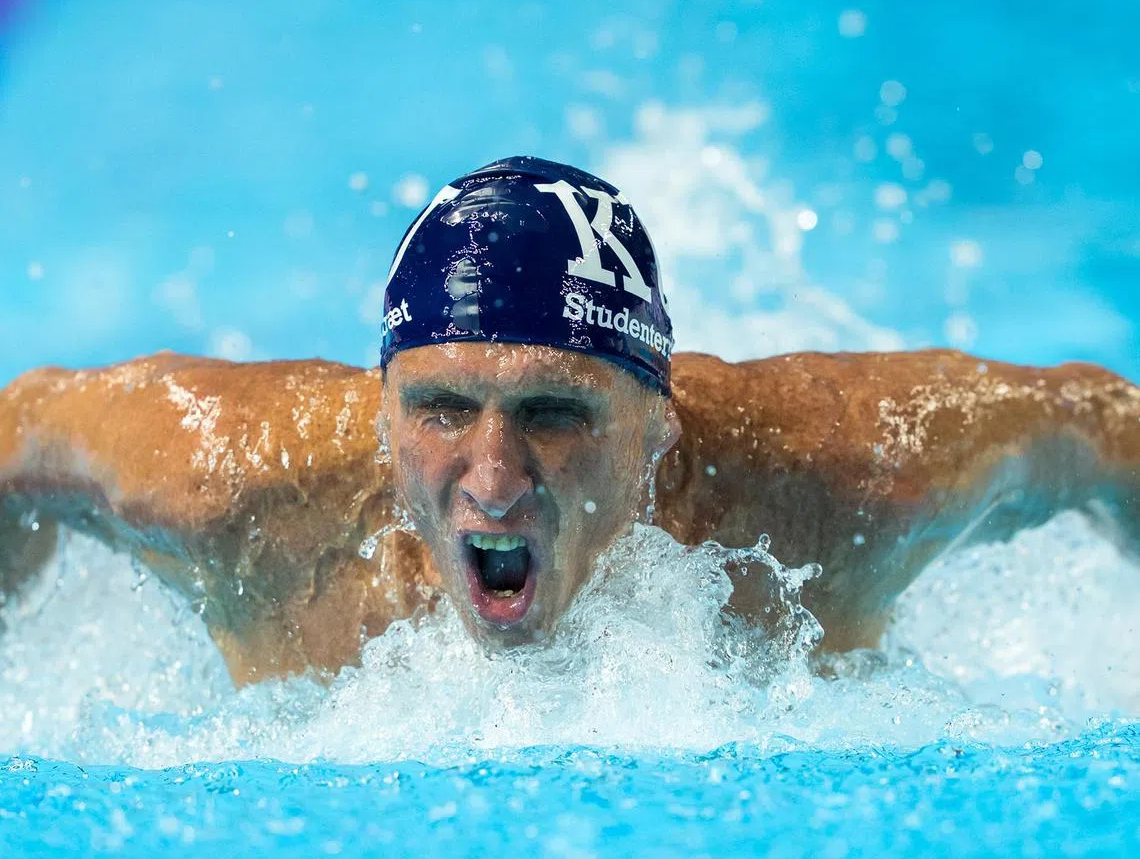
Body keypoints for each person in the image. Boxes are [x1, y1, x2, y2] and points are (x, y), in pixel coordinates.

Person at [1, 156, 1137, 685]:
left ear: (659, 428)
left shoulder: (853, 478)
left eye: (554, 414)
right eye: (442, 409)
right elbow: (17, 437)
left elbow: (1101, 419)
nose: (493, 478)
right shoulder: (217, 479)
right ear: (382, 409)